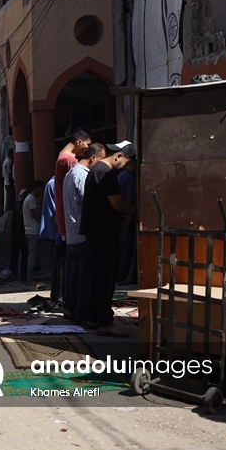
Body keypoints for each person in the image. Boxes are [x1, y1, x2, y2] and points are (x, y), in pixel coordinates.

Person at [82, 142, 136, 337]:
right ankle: (105, 322)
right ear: (119, 156)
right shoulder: (105, 173)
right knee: (107, 276)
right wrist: (132, 209)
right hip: (104, 232)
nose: (126, 168)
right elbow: (118, 204)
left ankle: (94, 317)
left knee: (99, 275)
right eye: (127, 163)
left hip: (96, 231)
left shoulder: (96, 170)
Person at [62, 143, 103, 327]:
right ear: (93, 158)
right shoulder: (82, 175)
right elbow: (89, 203)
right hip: (82, 234)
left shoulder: (70, 174)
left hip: (72, 235)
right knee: (84, 278)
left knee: (75, 276)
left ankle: (73, 310)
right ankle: (82, 314)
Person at [54, 128, 92, 240]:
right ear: (79, 142)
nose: (88, 149)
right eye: (88, 145)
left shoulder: (63, 157)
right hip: (72, 216)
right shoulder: (69, 160)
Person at [116, 148, 138, 285]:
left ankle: (120, 275)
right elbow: (130, 200)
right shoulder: (128, 178)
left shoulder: (121, 175)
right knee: (127, 248)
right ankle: (122, 276)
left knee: (123, 246)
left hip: (121, 215)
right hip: (129, 217)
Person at [22, 182, 45, 283]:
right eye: (41, 189)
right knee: (32, 256)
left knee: (32, 255)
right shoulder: (31, 200)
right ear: (36, 188)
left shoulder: (30, 199)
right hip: (32, 231)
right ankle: (29, 278)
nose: (41, 192)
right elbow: (37, 215)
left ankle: (29, 276)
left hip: (30, 230)